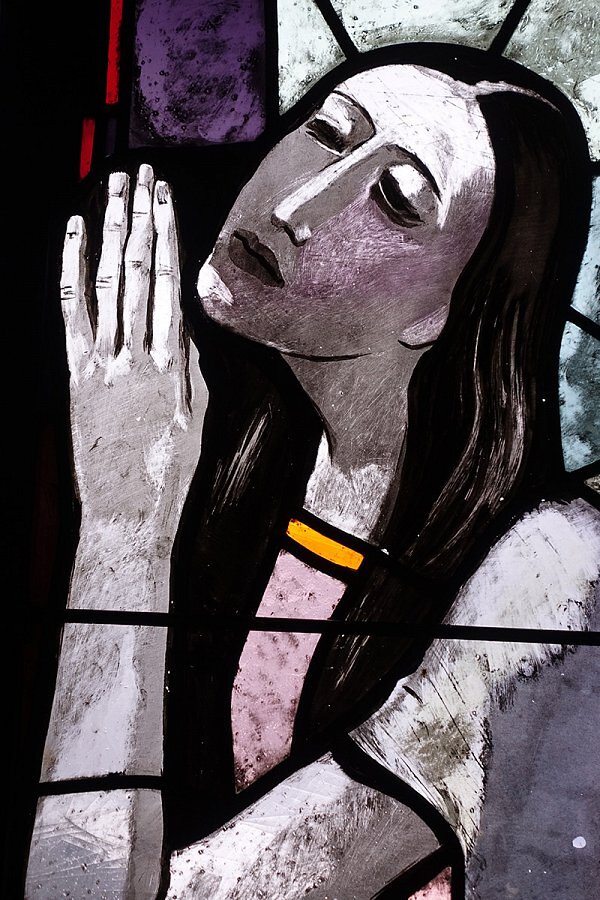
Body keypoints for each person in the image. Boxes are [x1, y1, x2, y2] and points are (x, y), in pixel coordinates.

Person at [26, 44, 600, 899]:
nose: (298, 206)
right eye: (328, 132)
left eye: (397, 199)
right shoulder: (207, 450)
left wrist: (124, 528)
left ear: (446, 310)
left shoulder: (550, 576)